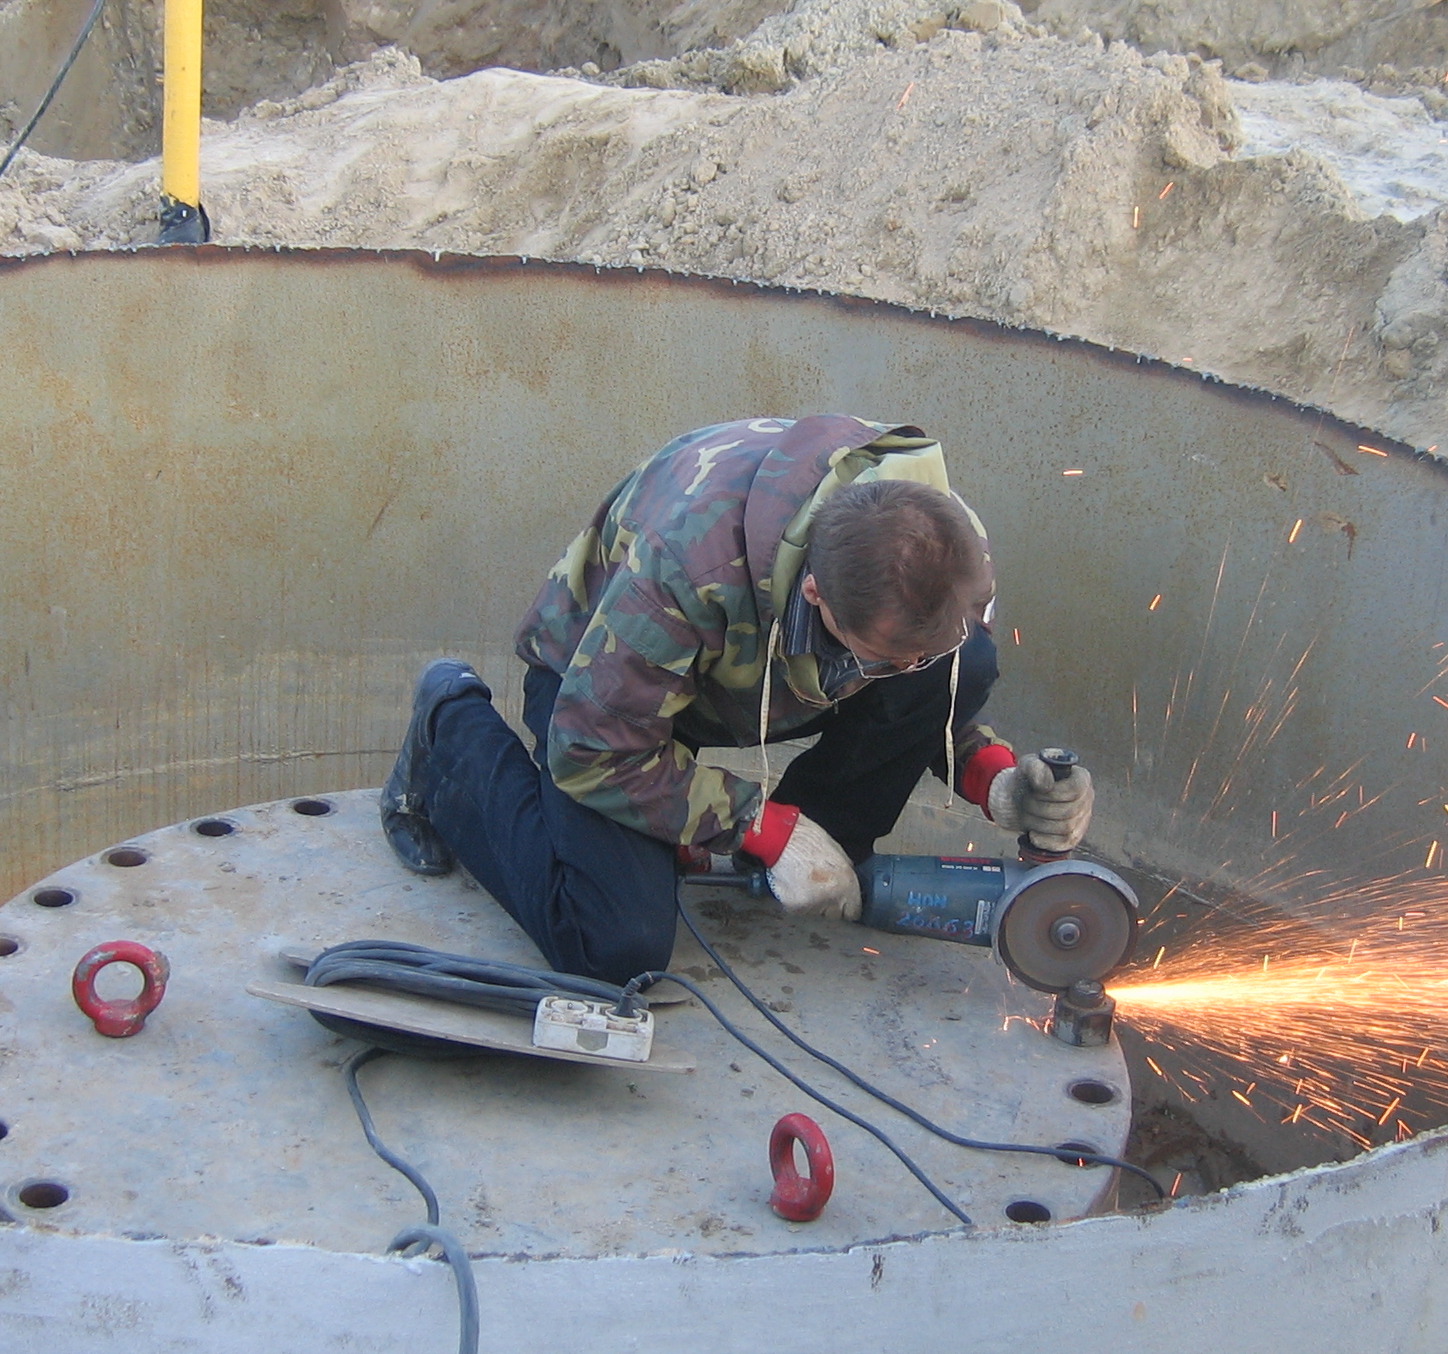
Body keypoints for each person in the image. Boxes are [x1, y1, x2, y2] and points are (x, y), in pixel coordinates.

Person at [379, 417, 1096, 983]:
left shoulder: (946, 549)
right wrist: (757, 824)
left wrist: (989, 776)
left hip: (741, 674)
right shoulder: (688, 568)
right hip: (605, 695)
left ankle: (815, 847)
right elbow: (592, 749)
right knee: (612, 944)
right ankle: (451, 723)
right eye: (883, 659)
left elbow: (926, 689)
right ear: (814, 593)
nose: (904, 672)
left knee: (968, 660)